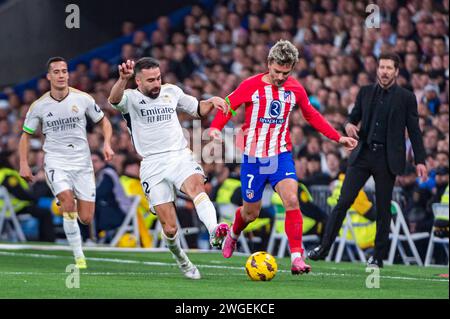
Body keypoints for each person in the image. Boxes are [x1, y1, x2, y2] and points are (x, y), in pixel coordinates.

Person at [209, 40, 357, 275]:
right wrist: (216, 128)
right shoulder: (251, 85)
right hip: (254, 159)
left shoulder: (295, 89)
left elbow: (312, 115)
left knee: (292, 200)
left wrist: (337, 138)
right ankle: (233, 234)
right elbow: (228, 104)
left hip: (280, 155)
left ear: (292, 69)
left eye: (285, 73)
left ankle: (297, 257)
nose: (280, 77)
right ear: (269, 64)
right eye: (276, 71)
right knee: (251, 213)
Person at [108, 57, 230, 280]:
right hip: (152, 164)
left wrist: (211, 101)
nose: (156, 84)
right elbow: (113, 100)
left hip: (179, 156)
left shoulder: (171, 91)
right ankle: (183, 261)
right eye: (151, 80)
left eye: (158, 78)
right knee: (171, 228)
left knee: (196, 187)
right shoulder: (131, 98)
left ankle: (214, 231)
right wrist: (121, 80)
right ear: (138, 81)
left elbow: (197, 110)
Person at [308, 53, 428, 268]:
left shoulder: (406, 97)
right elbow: (352, 118)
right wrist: (348, 126)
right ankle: (324, 248)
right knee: (343, 201)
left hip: (387, 158)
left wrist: (420, 160)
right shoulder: (365, 92)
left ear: (397, 71)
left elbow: (415, 131)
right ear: (377, 69)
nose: (384, 71)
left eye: (389, 68)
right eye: (382, 67)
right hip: (363, 154)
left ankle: (378, 257)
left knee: (383, 209)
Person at [19, 57, 114, 269]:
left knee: (86, 218)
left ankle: (62, 201)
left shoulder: (83, 99)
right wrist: (24, 163)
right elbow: (25, 135)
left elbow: (104, 121)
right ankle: (79, 257)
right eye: (56, 71)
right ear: (49, 76)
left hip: (82, 163)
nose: (61, 75)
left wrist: (107, 143)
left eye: (64, 71)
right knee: (69, 205)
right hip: (56, 161)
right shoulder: (39, 106)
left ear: (68, 74)